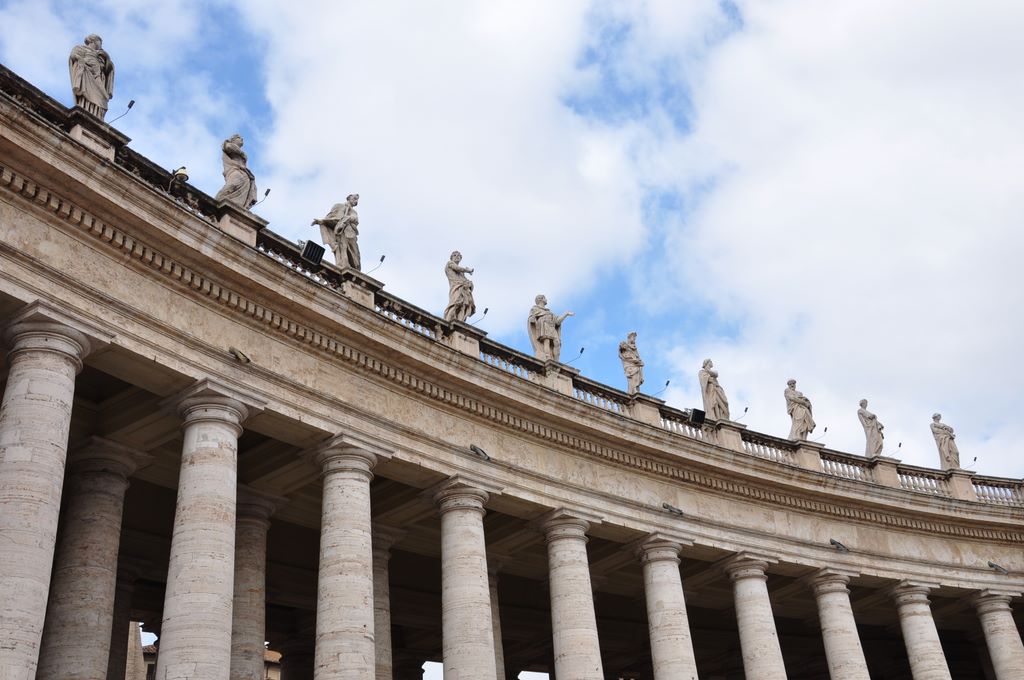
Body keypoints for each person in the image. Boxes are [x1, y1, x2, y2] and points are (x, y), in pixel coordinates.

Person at [68, 34, 114, 119]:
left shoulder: (100, 55)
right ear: (94, 41)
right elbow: (73, 55)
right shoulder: (80, 48)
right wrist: (81, 60)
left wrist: (106, 57)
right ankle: (85, 111)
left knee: (102, 100)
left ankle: (97, 116)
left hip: (99, 79)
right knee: (88, 97)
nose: (100, 44)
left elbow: (108, 68)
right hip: (87, 76)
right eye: (100, 42)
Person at [313, 194, 361, 269]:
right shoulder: (338, 206)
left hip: (351, 233)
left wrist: (348, 218)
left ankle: (354, 269)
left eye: (357, 200)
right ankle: (344, 265)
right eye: (354, 198)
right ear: (349, 198)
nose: (356, 201)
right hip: (341, 231)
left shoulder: (354, 212)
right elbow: (332, 217)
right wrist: (322, 221)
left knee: (355, 255)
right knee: (342, 248)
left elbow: (355, 220)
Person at [214, 135, 258, 209]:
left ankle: (238, 208)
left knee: (243, 196)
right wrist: (241, 153)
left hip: (244, 174)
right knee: (232, 186)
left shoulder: (239, 151)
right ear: (233, 140)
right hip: (234, 171)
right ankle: (216, 202)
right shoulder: (228, 144)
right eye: (239, 138)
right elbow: (228, 147)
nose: (242, 139)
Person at [527, 295, 573, 362]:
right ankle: (547, 358)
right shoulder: (535, 308)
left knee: (557, 343)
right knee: (547, 341)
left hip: (551, 326)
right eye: (545, 298)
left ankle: (556, 360)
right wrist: (533, 319)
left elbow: (557, 322)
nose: (546, 299)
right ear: (540, 299)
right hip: (544, 324)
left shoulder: (549, 312)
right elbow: (531, 319)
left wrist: (566, 314)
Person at [443, 251, 475, 323]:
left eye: (459, 256)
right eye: (454, 255)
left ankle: (460, 321)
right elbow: (457, 268)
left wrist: (470, 284)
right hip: (456, 287)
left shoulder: (461, 272)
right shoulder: (450, 263)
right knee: (455, 304)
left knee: (464, 305)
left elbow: (465, 279)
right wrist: (467, 270)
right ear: (451, 257)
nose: (457, 256)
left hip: (464, 288)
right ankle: (447, 321)